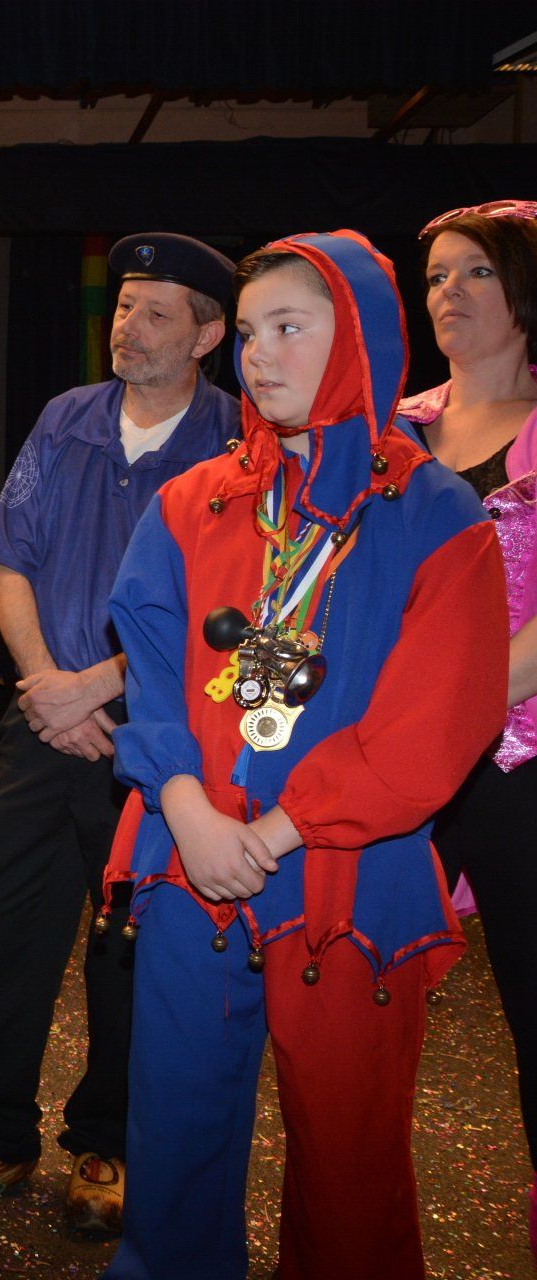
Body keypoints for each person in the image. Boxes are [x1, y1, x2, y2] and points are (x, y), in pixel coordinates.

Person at [103, 232, 508, 1280]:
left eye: (290, 327)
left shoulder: (436, 514)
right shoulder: (192, 500)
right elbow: (152, 663)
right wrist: (187, 807)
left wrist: (277, 830)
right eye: (247, 332)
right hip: (191, 854)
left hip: (348, 872)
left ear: (361, 339)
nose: (259, 355)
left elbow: (436, 721)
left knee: (347, 1153)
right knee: (173, 1130)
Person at [0, 234, 239, 1236]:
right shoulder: (68, 418)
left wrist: (96, 686)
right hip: (42, 718)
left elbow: (231, 613)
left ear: (208, 335)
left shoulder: (238, 444)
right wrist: (45, 685)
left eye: (155, 311)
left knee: (131, 946)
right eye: (124, 303)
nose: (127, 325)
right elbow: (10, 558)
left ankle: (110, 1142)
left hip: (164, 742)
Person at [395, 200, 537, 1255]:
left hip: (518, 755)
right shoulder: (389, 428)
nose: (449, 291)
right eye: (438, 274)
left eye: (476, 271)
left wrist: (455, 704)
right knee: (356, 1003)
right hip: (389, 757)